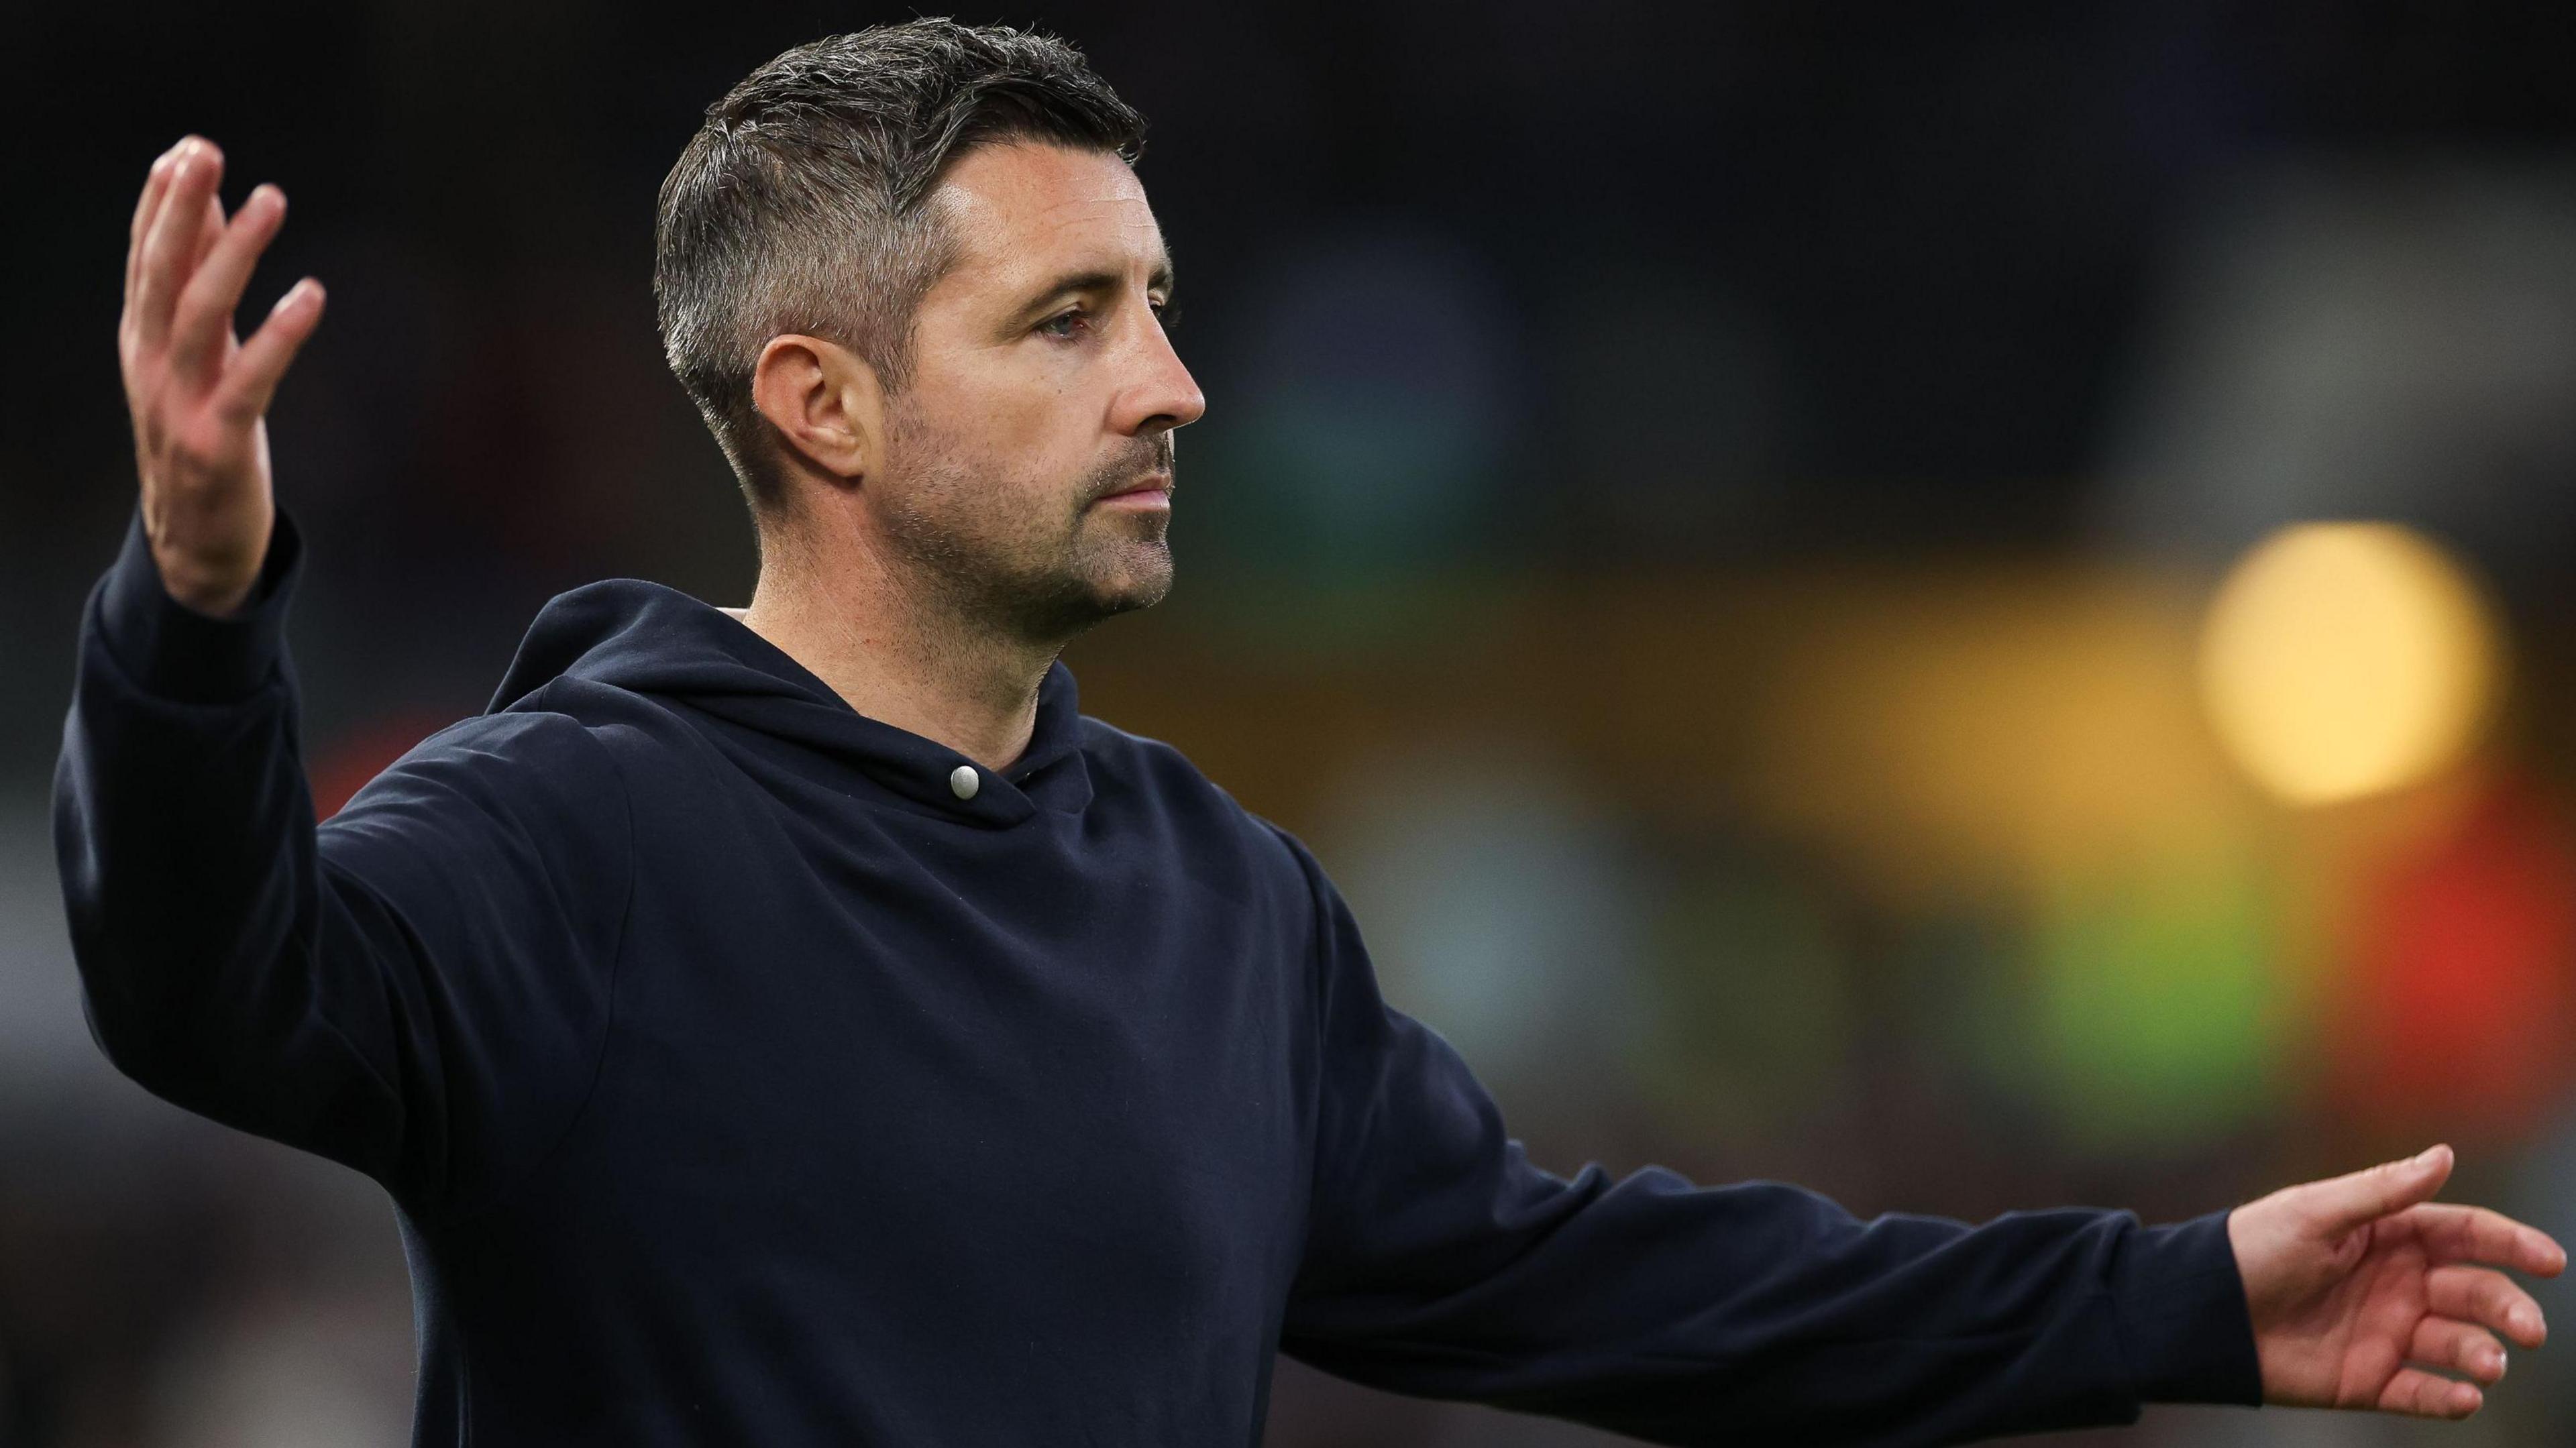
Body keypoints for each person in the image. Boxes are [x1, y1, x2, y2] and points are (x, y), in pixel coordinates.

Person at [56, 18, 2565, 1447]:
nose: (1177, 382)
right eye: (1069, 321)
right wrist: (193, 603)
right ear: (819, 402)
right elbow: (216, 999)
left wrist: (2172, 1302)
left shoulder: (1212, 895)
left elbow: (1604, 1286)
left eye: (1156, 299)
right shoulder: (571, 834)